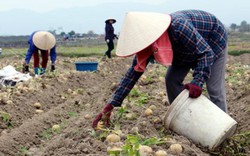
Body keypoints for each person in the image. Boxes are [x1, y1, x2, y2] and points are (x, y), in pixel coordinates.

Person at [92, 10, 228, 128]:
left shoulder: (179, 27)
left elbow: (206, 53)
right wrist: (111, 105)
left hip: (213, 41)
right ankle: (184, 121)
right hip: (184, 52)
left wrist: (197, 82)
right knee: (171, 80)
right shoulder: (148, 44)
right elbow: (132, 75)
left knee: (214, 89)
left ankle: (223, 128)